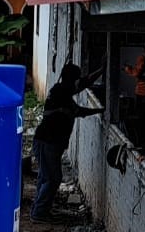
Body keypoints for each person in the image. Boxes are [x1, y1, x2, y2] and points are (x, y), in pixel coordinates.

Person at [30, 63, 103, 222]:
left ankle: (40, 209)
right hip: (47, 142)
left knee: (46, 177)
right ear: (72, 79)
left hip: (49, 142)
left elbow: (78, 110)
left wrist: (99, 111)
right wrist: (101, 70)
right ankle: (39, 212)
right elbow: (84, 84)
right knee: (52, 178)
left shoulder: (62, 94)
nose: (77, 82)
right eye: (76, 79)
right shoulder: (61, 91)